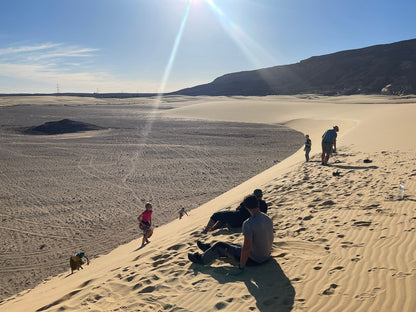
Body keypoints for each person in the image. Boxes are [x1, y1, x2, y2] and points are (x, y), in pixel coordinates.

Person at [188, 194, 274, 271]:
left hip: (254, 260)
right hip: (265, 255)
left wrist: (241, 267)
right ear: (258, 204)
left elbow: (247, 248)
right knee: (232, 245)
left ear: (246, 207)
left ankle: (201, 259)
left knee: (219, 245)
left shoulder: (249, 223)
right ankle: (209, 249)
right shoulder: (267, 218)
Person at [201, 189, 267, 234]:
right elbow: (263, 215)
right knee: (224, 218)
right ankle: (213, 229)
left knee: (216, 215)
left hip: (237, 219)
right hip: (244, 223)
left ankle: (206, 231)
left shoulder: (250, 201)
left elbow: (238, 208)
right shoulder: (264, 204)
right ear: (261, 196)